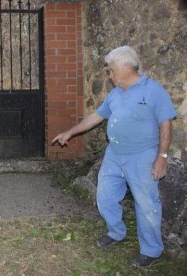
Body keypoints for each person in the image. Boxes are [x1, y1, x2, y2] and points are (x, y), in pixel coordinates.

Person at [51, 46, 177, 268]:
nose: (109, 75)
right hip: (114, 154)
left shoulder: (153, 91)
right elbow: (96, 117)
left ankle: (151, 250)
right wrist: (69, 132)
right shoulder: (115, 94)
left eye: (111, 70)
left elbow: (165, 124)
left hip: (142, 156)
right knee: (105, 196)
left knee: (146, 204)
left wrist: (162, 156)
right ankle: (117, 232)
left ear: (125, 66)